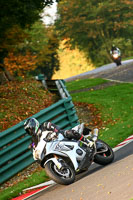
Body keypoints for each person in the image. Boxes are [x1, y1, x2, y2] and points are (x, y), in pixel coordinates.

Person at [24, 118, 92, 149]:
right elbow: (34, 144)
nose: (30, 131)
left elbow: (55, 127)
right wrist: (31, 145)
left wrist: (55, 132)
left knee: (68, 133)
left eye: (30, 129)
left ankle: (87, 141)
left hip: (59, 137)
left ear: (34, 125)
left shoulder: (45, 125)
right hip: (53, 146)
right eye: (28, 131)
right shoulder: (34, 138)